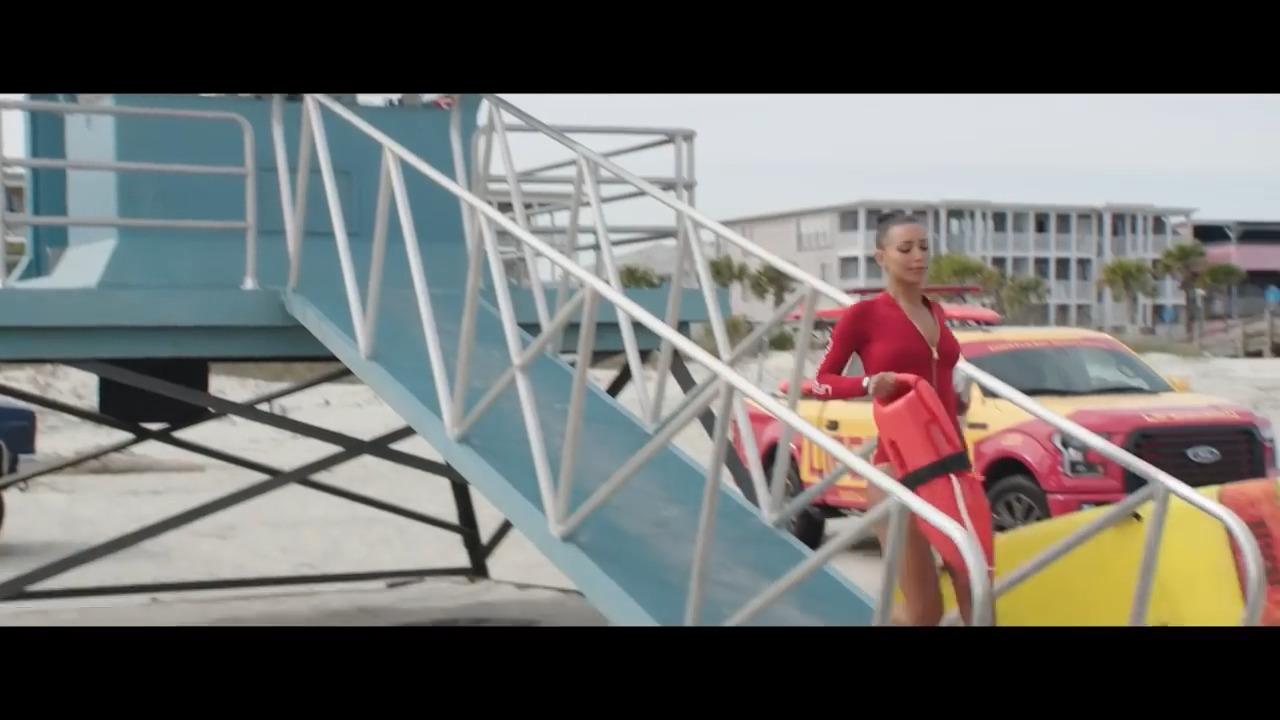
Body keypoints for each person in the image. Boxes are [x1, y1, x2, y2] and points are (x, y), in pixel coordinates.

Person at [812, 212, 977, 627]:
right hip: (898, 469)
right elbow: (821, 382)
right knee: (924, 611)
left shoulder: (936, 312)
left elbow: (940, 374)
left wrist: (955, 398)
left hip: (953, 465)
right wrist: (868, 383)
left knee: (978, 594)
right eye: (905, 249)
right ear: (881, 256)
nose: (918, 257)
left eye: (924, 247)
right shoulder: (864, 316)